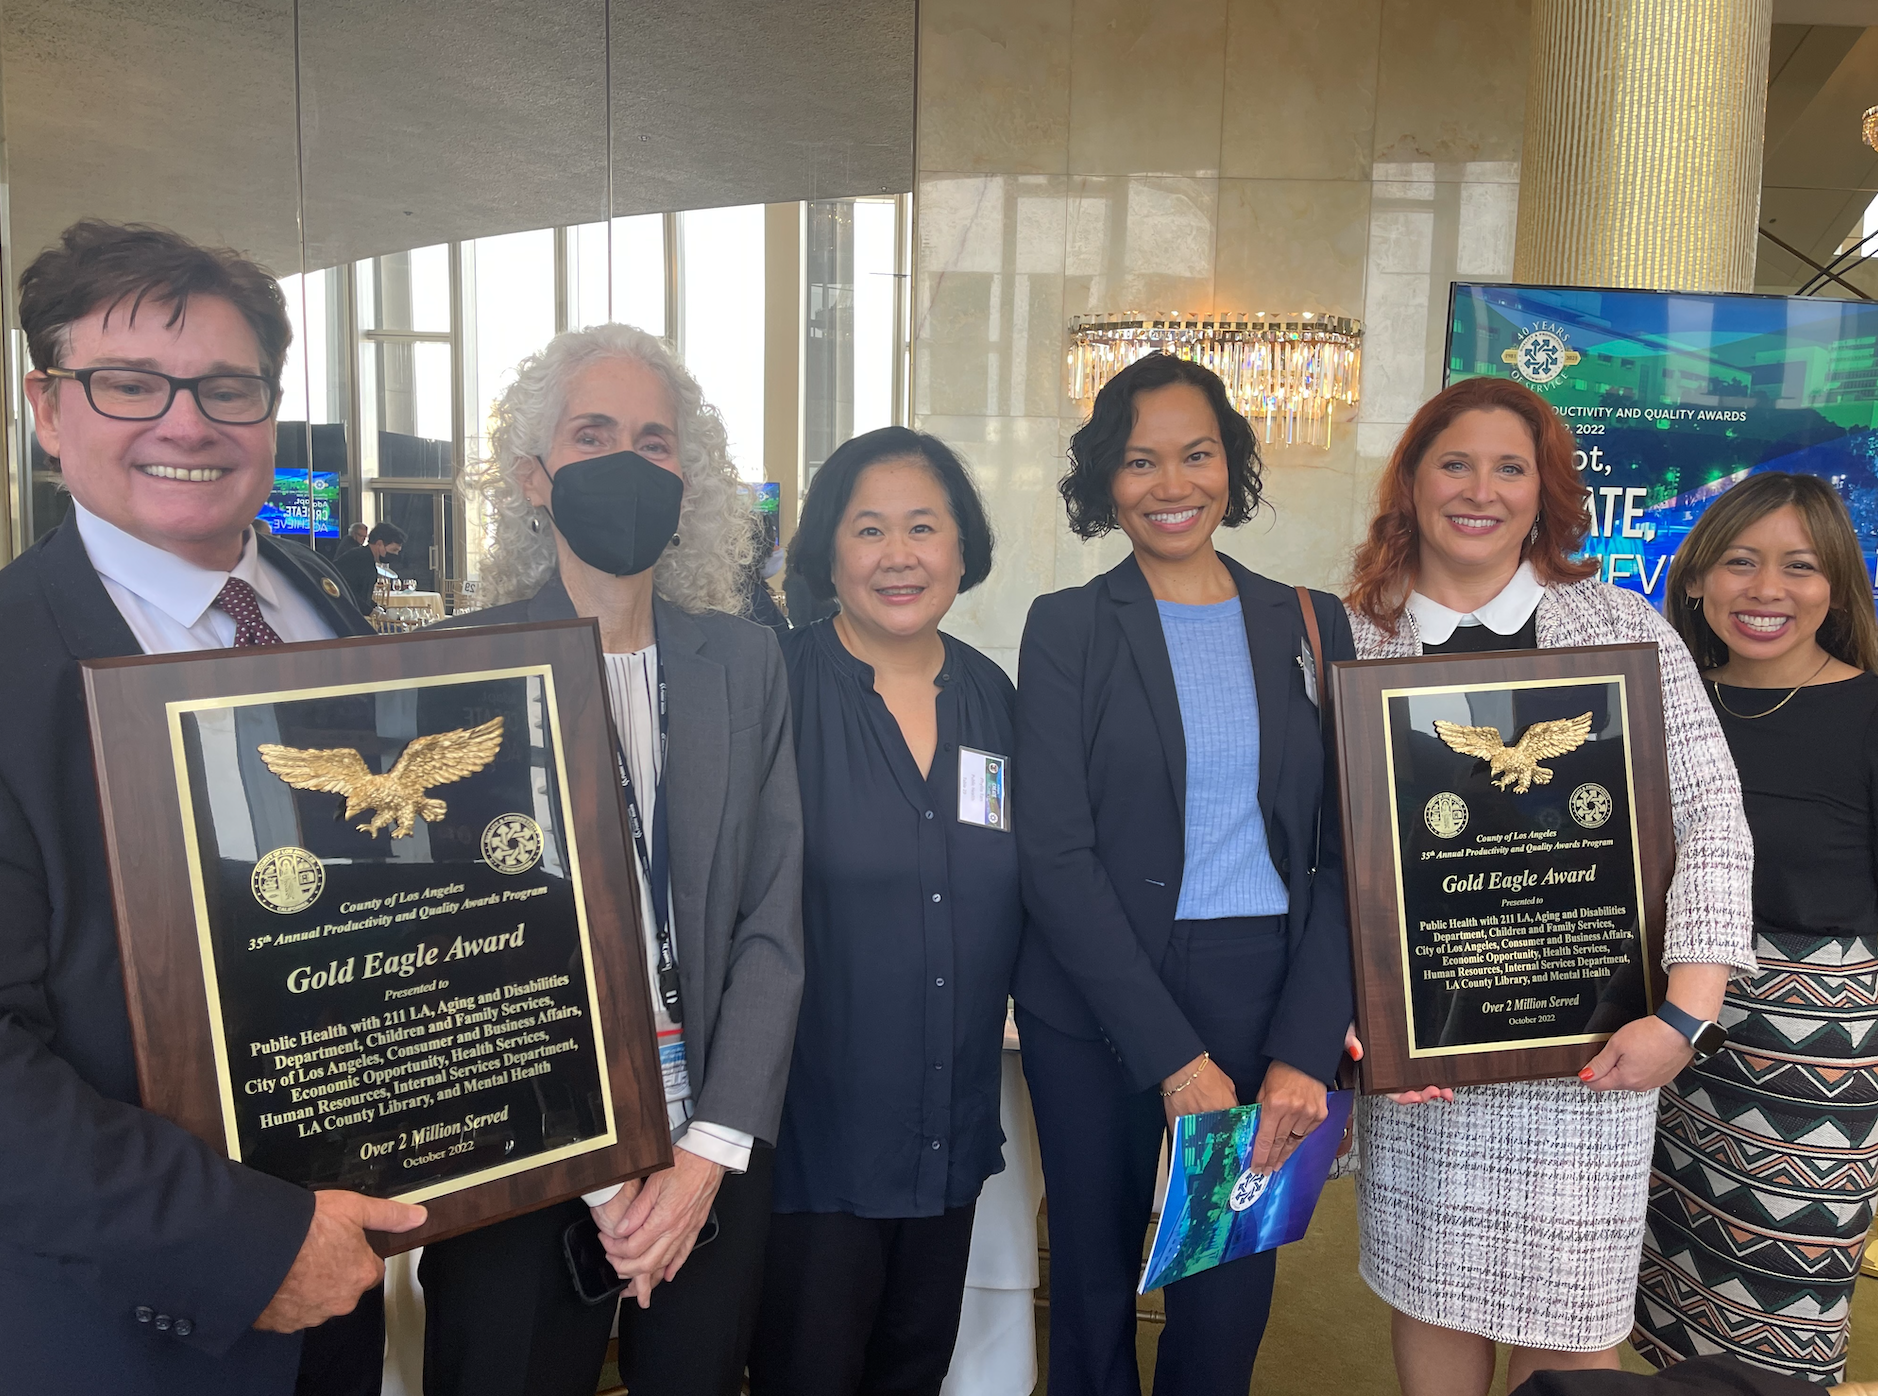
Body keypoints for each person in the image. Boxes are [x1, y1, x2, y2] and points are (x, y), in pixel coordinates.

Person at [0, 219, 425, 1396]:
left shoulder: (318, 597)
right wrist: (245, 1247)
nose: (186, 423)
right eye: (130, 383)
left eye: (226, 388)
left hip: (345, 1276)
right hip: (131, 1327)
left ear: (269, 413)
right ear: (48, 407)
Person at [1345, 374, 1754, 1396]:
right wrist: (1358, 1016)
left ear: (1545, 492)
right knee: (1432, 1295)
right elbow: (1321, 851)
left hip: (1595, 1059)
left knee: (1572, 1318)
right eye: (1455, 461)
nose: (1480, 489)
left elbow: (1711, 824)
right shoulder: (1352, 641)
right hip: (1427, 1060)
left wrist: (1684, 1016)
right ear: (1412, 481)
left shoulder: (1621, 630)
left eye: (1510, 467)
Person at [419, 322, 804, 1396]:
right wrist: (599, 1170)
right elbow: (453, 951)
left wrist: (704, 1158)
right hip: (522, 1155)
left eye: (655, 439)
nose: (628, 461)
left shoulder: (744, 665)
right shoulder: (460, 664)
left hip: (706, 1150)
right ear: (536, 477)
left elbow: (774, 924)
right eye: (593, 434)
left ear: (691, 477)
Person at [1014, 352, 1357, 1395]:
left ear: (1232, 463)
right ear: (1103, 482)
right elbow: (1055, 854)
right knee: (1089, 1276)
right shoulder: (1068, 628)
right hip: (1099, 990)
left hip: (1260, 984)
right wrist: (1173, 1058)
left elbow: (1347, 854)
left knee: (1226, 1294)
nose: (1172, 485)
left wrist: (1302, 1047)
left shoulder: (1309, 620)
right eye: (1139, 461)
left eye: (1197, 454)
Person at [748, 427, 1019, 1395]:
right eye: (870, 530)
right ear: (828, 548)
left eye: (922, 527)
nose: (898, 556)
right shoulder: (772, 685)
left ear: (961, 546)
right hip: (814, 1147)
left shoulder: (995, 699)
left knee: (915, 1373)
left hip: (946, 1134)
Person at [1633, 473, 1878, 1384]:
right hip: (1659, 1046)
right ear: (1696, 579)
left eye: (1799, 567)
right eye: (1741, 561)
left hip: (1809, 1068)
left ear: (1836, 585)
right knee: (1660, 1308)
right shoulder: (1660, 703)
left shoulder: (1867, 710)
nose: (1767, 589)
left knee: (1772, 1321)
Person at [335, 520, 404, 614]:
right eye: (394, 550)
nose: (396, 554)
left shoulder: (365, 559)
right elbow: (347, 593)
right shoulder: (358, 560)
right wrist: (371, 611)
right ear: (379, 544)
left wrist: (377, 608)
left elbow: (362, 596)